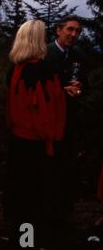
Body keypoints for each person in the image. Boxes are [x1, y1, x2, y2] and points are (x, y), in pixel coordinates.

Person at [4, 19, 67, 250]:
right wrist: (52, 140)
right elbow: (46, 114)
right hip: (38, 146)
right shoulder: (44, 71)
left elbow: (10, 111)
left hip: (18, 143)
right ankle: (28, 247)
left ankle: (20, 243)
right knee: (33, 201)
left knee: (20, 199)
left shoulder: (14, 70)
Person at [44, 15, 86, 223]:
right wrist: (62, 90)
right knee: (50, 170)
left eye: (77, 31)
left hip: (70, 121)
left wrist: (79, 89)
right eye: (70, 29)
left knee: (67, 170)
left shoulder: (77, 54)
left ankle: (62, 214)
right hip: (50, 124)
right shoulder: (46, 54)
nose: (74, 34)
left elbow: (83, 82)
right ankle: (47, 214)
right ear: (58, 31)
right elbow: (40, 90)